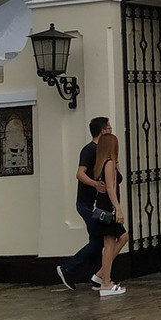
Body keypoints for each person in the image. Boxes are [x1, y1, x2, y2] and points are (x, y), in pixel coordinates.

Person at [56, 116, 110, 290]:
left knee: (96, 238)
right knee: (98, 240)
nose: (110, 130)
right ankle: (68, 268)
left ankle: (96, 278)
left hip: (94, 203)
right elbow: (80, 174)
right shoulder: (89, 150)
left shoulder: (101, 151)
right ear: (102, 131)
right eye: (108, 128)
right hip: (86, 204)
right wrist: (95, 185)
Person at [93, 131, 130, 297]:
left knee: (123, 237)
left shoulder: (107, 163)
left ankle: (102, 274)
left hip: (107, 205)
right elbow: (110, 188)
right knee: (109, 244)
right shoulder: (108, 164)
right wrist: (118, 209)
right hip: (108, 207)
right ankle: (106, 283)